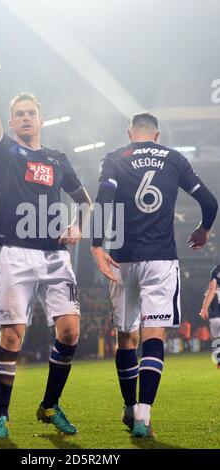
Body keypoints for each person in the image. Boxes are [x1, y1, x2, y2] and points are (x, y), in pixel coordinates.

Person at [0, 37, 91, 438]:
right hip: (16, 253)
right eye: (18, 114)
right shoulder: (6, 151)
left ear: (41, 119)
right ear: (12, 123)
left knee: (71, 331)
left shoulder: (58, 159)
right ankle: (2, 416)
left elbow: (86, 201)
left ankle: (49, 405)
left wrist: (78, 224)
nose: (25, 118)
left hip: (56, 255)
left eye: (31, 113)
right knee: (12, 335)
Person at [91, 112, 218, 437]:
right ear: (157, 135)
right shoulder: (174, 158)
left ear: (129, 133)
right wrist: (203, 230)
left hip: (123, 260)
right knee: (153, 336)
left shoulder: (116, 157)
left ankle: (130, 407)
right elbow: (209, 201)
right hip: (161, 261)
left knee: (125, 338)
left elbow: (104, 199)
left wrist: (96, 244)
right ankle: (144, 415)